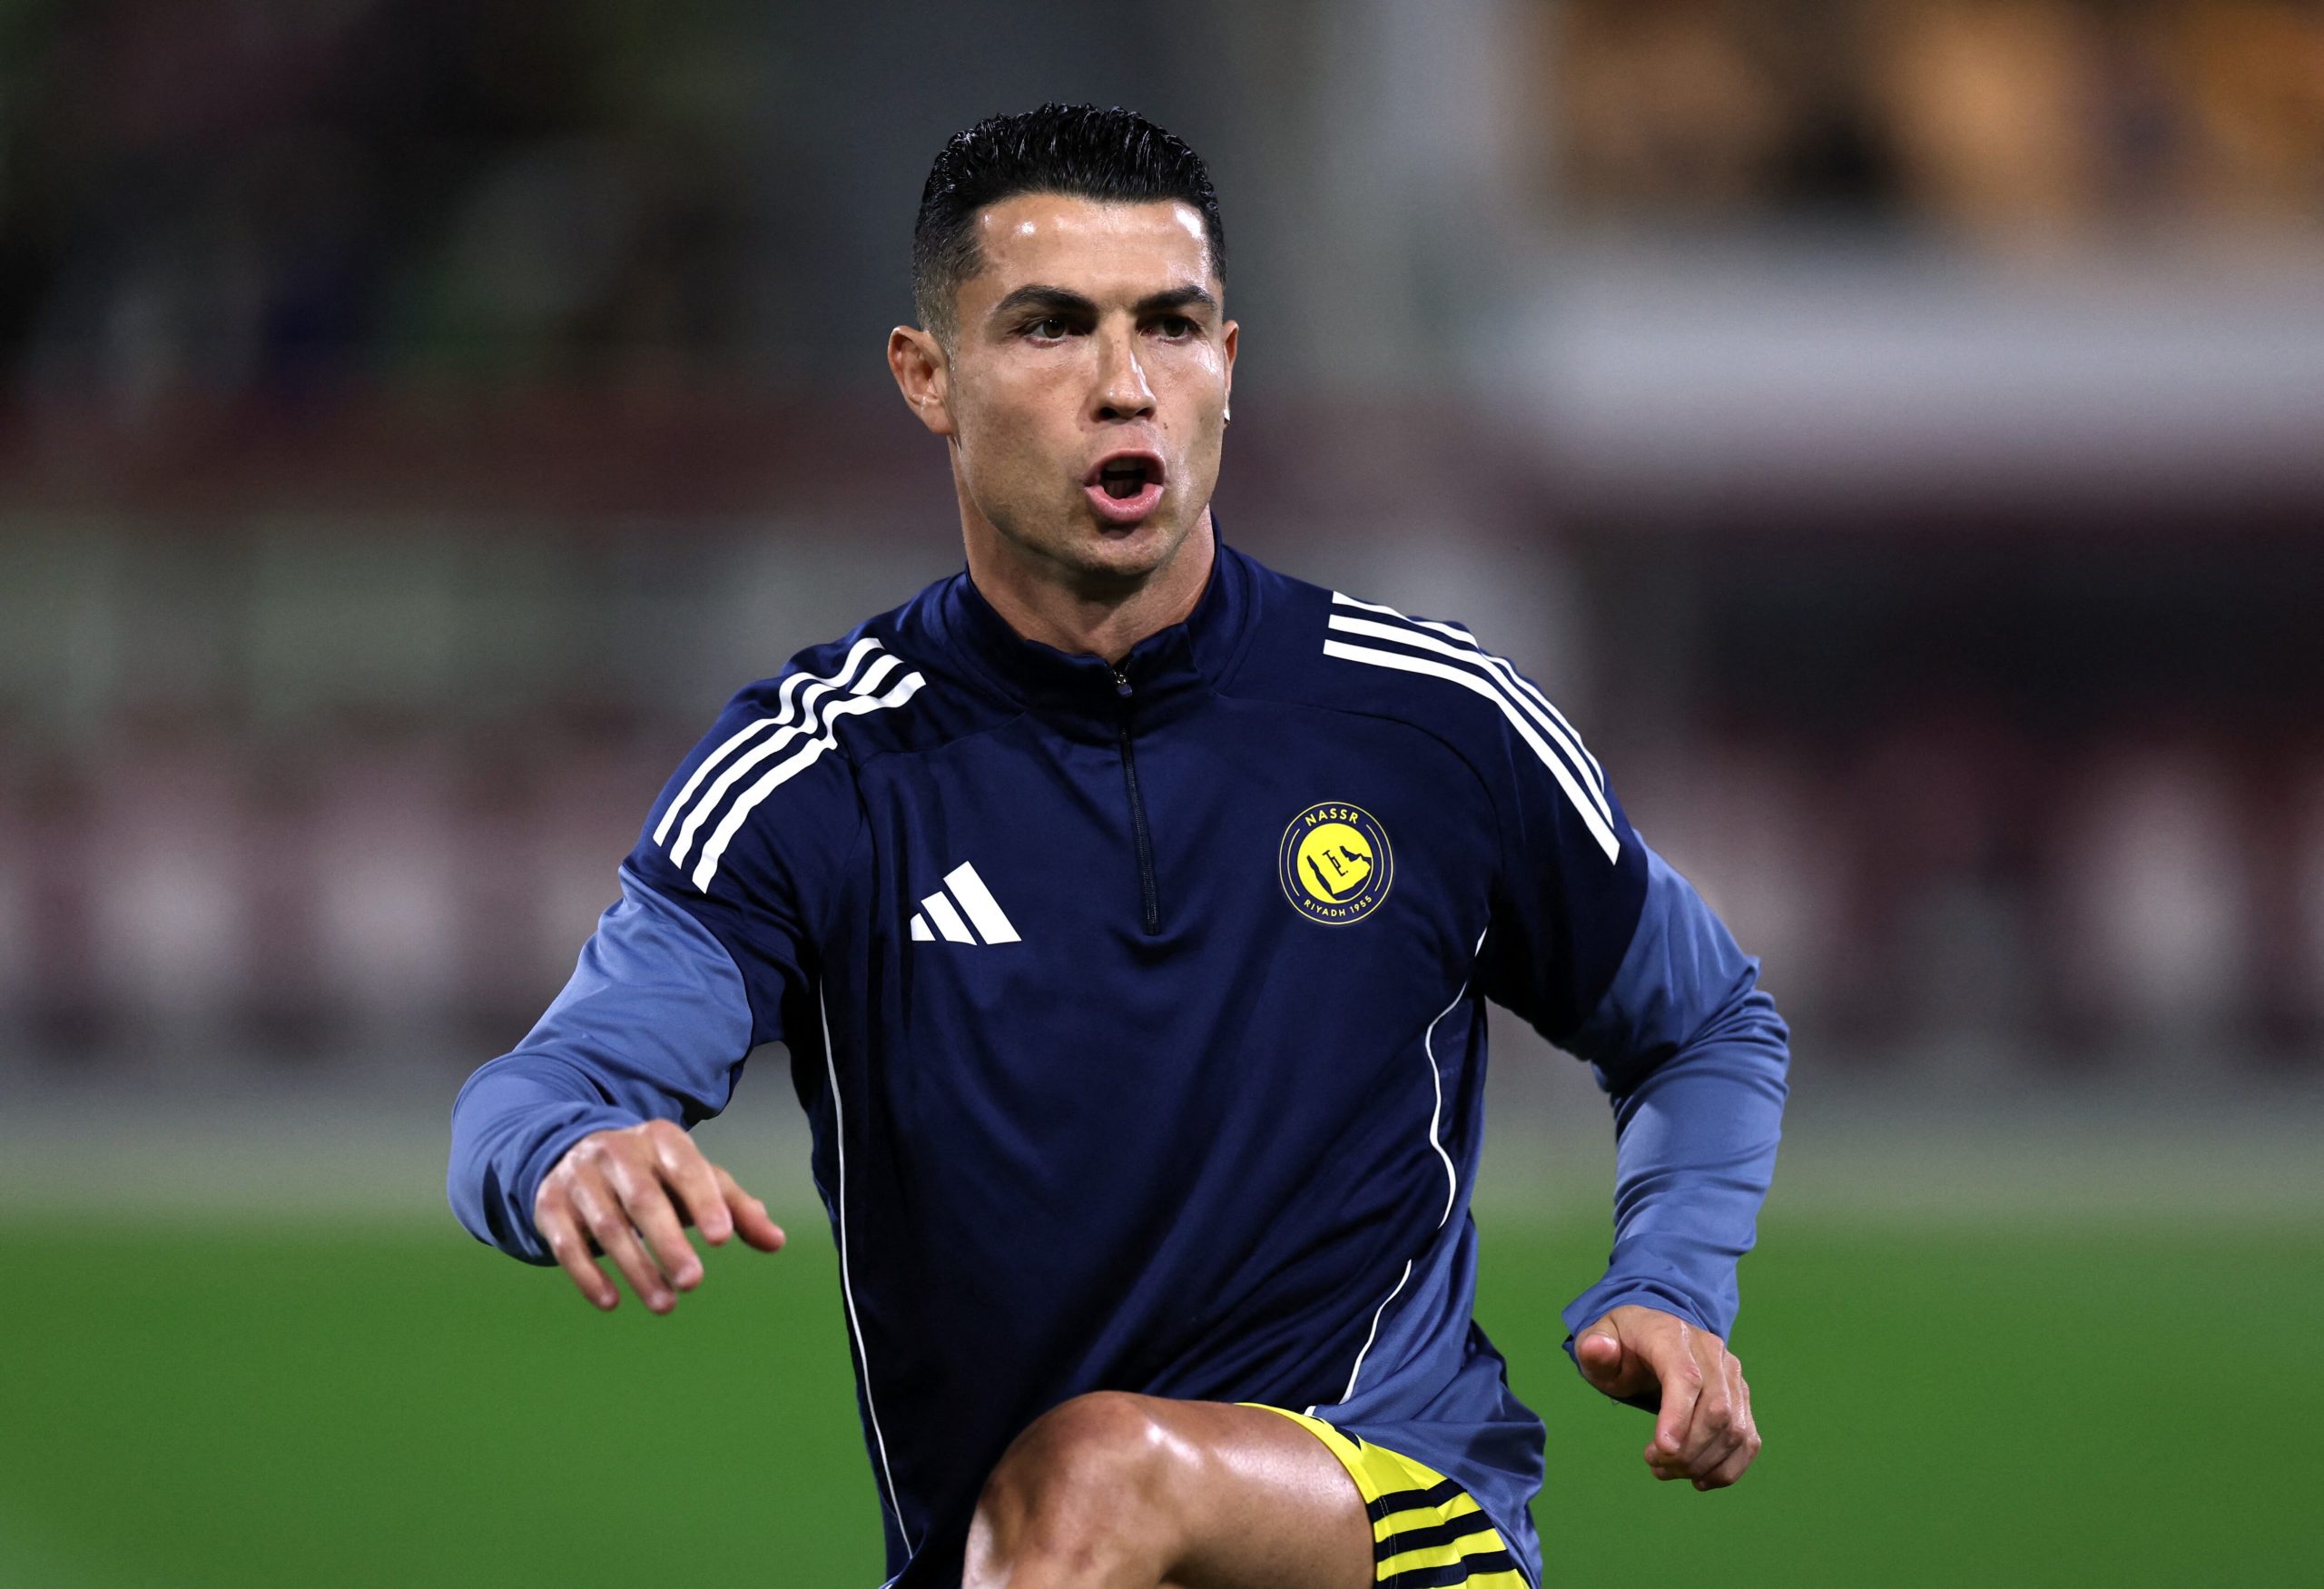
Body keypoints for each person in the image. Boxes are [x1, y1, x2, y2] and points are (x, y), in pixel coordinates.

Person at [448, 103, 1787, 1589]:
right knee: (1077, 1500)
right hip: (1025, 1560)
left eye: (1170, 324)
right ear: (927, 377)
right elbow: (540, 1088)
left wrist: (1674, 1276)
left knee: (1099, 1471)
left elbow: (1704, 1021)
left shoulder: (1432, 724)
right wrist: (572, 1151)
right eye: (1049, 328)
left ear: (1230, 360)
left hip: (1390, 1521)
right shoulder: (825, 774)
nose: (1123, 385)